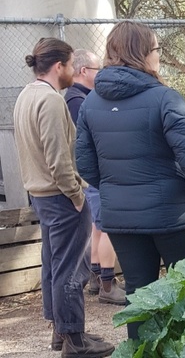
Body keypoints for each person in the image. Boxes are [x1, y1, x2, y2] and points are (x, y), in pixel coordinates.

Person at [75, 21, 185, 339]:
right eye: (156, 50)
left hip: (121, 218)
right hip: (173, 216)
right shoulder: (165, 98)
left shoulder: (91, 103)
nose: (158, 57)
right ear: (143, 54)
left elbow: (86, 165)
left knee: (139, 294)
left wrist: (115, 187)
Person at [14, 38, 115, 357]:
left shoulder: (25, 96)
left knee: (54, 266)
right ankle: (75, 340)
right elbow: (58, 159)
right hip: (61, 196)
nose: (74, 70)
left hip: (41, 196)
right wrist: (76, 195)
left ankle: (64, 333)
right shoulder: (52, 101)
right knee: (72, 269)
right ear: (59, 67)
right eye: (71, 64)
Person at [64, 49, 126, 305]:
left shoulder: (79, 98)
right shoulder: (78, 102)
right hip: (96, 175)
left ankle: (97, 278)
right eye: (97, 69)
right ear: (84, 71)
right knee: (107, 226)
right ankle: (108, 285)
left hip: (91, 176)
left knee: (97, 227)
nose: (100, 74)